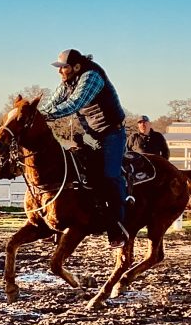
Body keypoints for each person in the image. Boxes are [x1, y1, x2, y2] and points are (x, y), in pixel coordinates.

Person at [38, 49, 129, 249]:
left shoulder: (91, 77)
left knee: (110, 175)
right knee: (77, 172)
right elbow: (54, 101)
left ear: (76, 67)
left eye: (63, 67)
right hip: (90, 135)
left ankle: (118, 227)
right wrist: (35, 114)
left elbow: (74, 104)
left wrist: (45, 116)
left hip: (112, 134)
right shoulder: (67, 82)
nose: (59, 71)